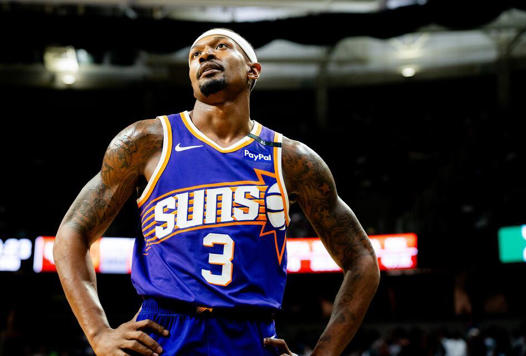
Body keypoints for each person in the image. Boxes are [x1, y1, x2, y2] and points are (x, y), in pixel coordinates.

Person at [54, 28, 380, 356]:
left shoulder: (291, 159)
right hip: (163, 333)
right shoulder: (148, 140)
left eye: (220, 46)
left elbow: (362, 260)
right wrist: (98, 333)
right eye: (195, 55)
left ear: (253, 69)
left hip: (252, 336)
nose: (205, 55)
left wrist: (324, 352)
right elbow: (72, 231)